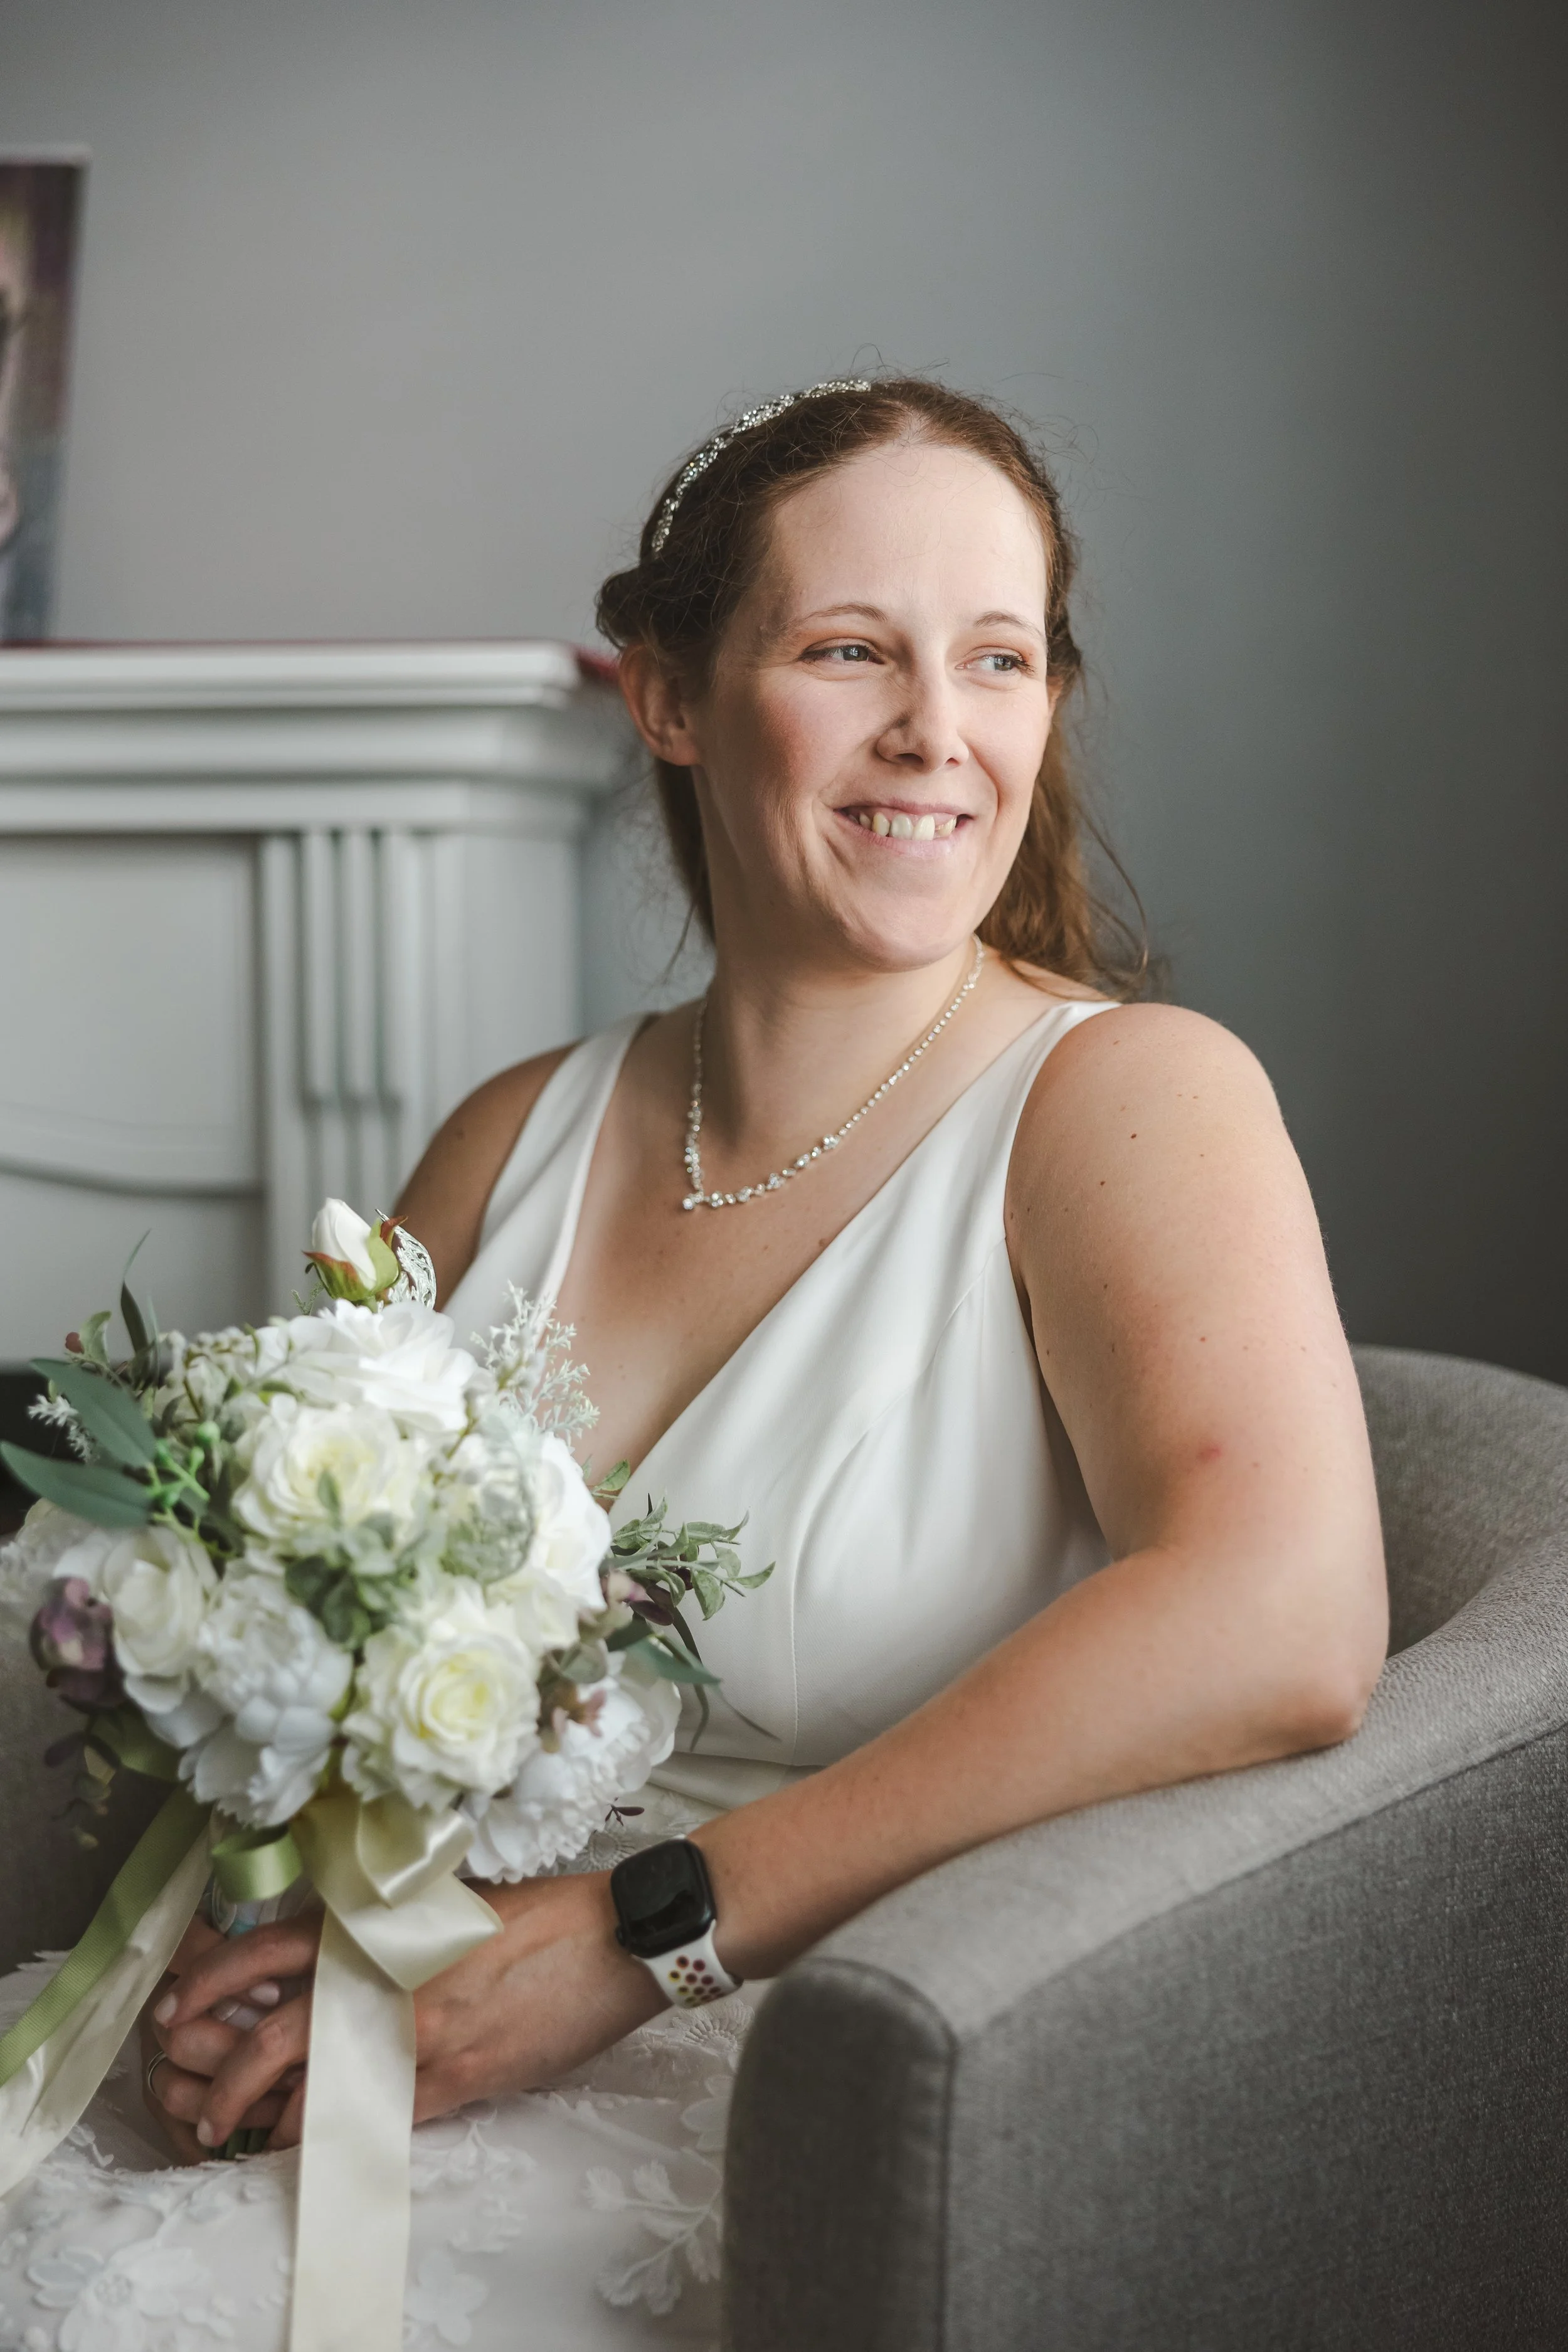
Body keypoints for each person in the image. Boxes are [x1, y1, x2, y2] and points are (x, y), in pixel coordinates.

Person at [0, 378, 1387, 2349]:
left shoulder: (1129, 1100)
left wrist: (634, 1934)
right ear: (662, 694)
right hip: (428, 2001)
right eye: (848, 650)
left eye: (996, 657)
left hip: (807, 2063)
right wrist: (267, 1925)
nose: (935, 728)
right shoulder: (510, 1136)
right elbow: (295, 1632)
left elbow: (1285, 1614)